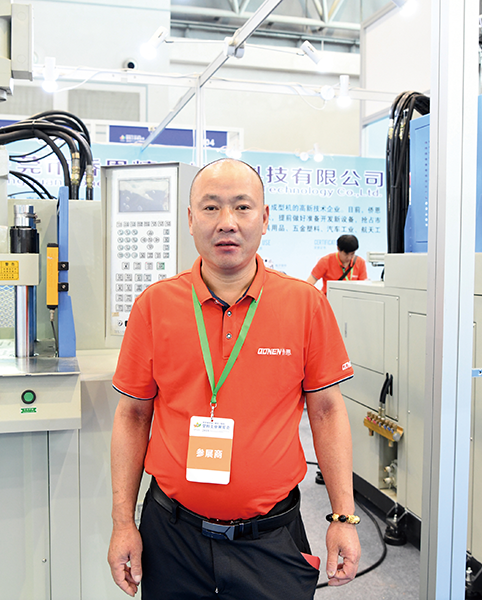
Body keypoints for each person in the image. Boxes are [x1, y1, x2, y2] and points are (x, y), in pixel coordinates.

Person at [108, 158, 361, 599]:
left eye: (242, 207)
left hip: (270, 539)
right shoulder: (154, 306)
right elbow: (132, 416)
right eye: (211, 208)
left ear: (264, 218)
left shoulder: (305, 305)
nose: (227, 222)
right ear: (191, 219)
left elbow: (326, 411)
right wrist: (122, 523)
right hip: (172, 536)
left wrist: (343, 517)